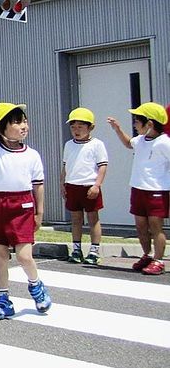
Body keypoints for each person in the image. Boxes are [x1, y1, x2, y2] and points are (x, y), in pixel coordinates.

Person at [0, 81, 52, 320]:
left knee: (25, 256)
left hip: (23, 205)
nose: (23, 126)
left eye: (23, 120)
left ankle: (36, 286)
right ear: (1, 129)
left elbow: (38, 185)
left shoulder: (32, 155)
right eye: (16, 122)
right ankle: (3, 298)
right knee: (1, 256)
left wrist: (39, 212)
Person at [107, 102, 170, 275]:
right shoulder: (141, 140)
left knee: (156, 226)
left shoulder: (164, 143)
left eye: (137, 121)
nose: (134, 124)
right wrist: (118, 129)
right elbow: (129, 143)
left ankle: (159, 260)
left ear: (149, 124)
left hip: (157, 190)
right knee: (141, 226)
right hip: (138, 188)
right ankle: (147, 255)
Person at [60, 107, 108, 265]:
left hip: (90, 186)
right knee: (75, 219)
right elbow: (65, 165)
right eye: (73, 127)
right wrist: (63, 183)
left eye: (80, 127)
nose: (76, 130)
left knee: (93, 218)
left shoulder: (97, 144)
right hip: (72, 185)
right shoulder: (69, 145)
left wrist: (97, 185)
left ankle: (94, 251)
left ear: (90, 127)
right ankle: (76, 249)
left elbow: (102, 166)